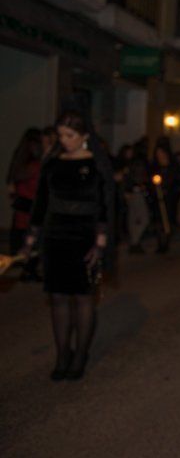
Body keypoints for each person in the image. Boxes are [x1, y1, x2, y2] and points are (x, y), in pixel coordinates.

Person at [20, 110, 114, 380]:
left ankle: (80, 356)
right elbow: (40, 204)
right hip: (55, 235)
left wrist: (100, 243)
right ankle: (62, 354)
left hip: (84, 237)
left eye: (70, 135)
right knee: (58, 298)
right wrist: (30, 240)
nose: (64, 140)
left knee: (83, 298)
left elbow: (105, 206)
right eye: (61, 135)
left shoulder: (96, 164)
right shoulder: (52, 164)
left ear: (84, 136)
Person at [6, 128, 43, 281]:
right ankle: (29, 270)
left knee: (24, 235)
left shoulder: (20, 159)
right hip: (29, 203)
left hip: (23, 202)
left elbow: (12, 181)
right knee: (32, 236)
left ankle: (26, 268)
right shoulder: (33, 165)